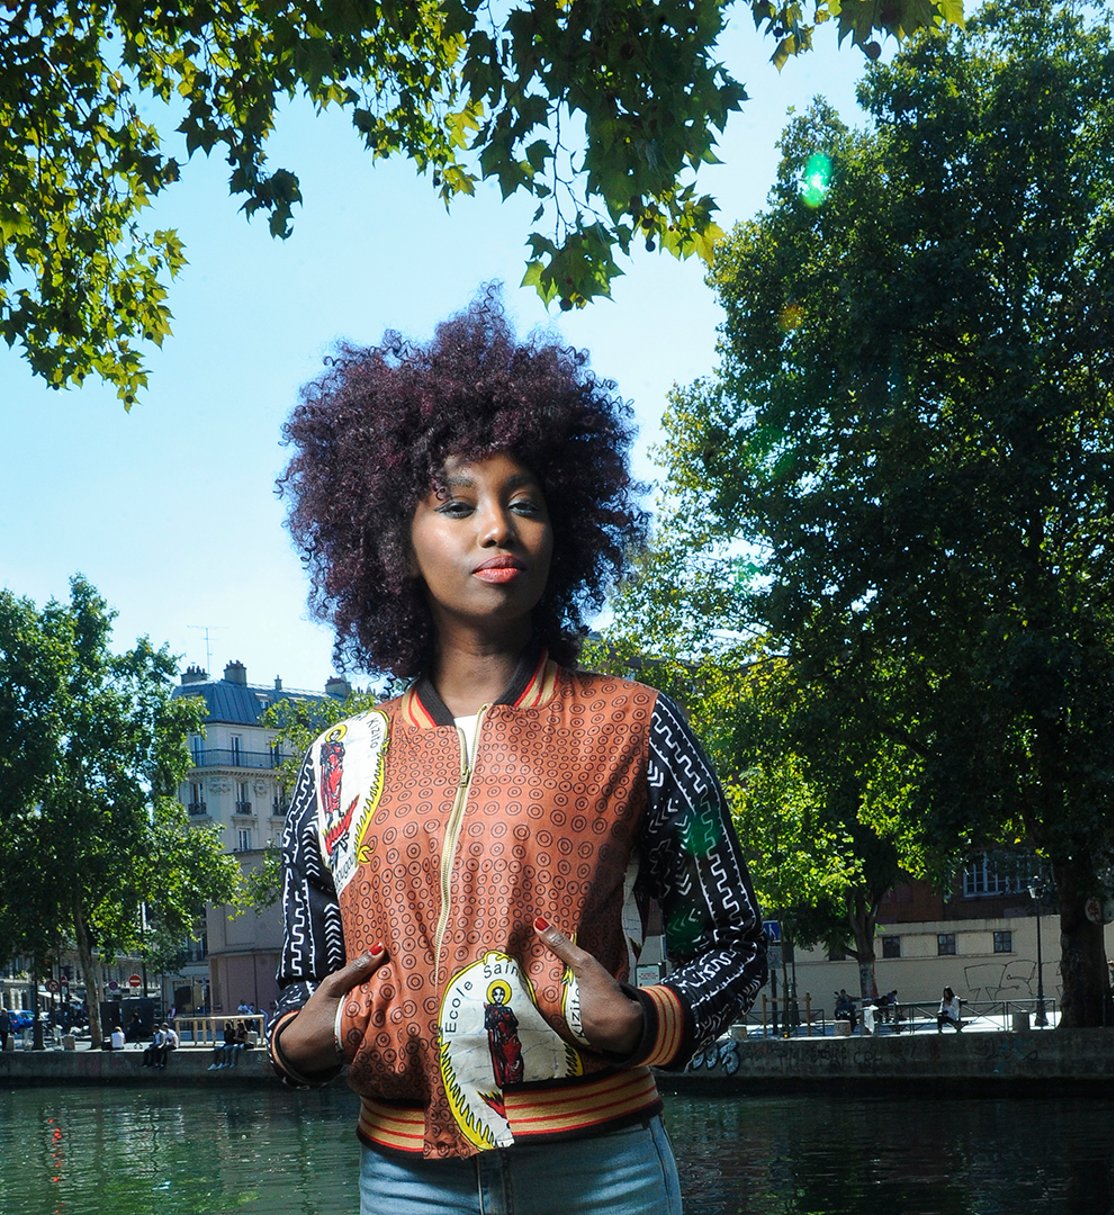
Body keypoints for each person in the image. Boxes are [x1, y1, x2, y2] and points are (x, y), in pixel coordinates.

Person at [266, 289, 767, 1215]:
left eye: (524, 502)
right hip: (404, 1177)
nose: (496, 526)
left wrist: (649, 1017)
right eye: (456, 504)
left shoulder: (635, 724)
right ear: (393, 539)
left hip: (599, 1168)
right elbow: (302, 984)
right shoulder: (338, 760)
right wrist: (295, 1039)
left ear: (562, 527)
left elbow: (733, 939)